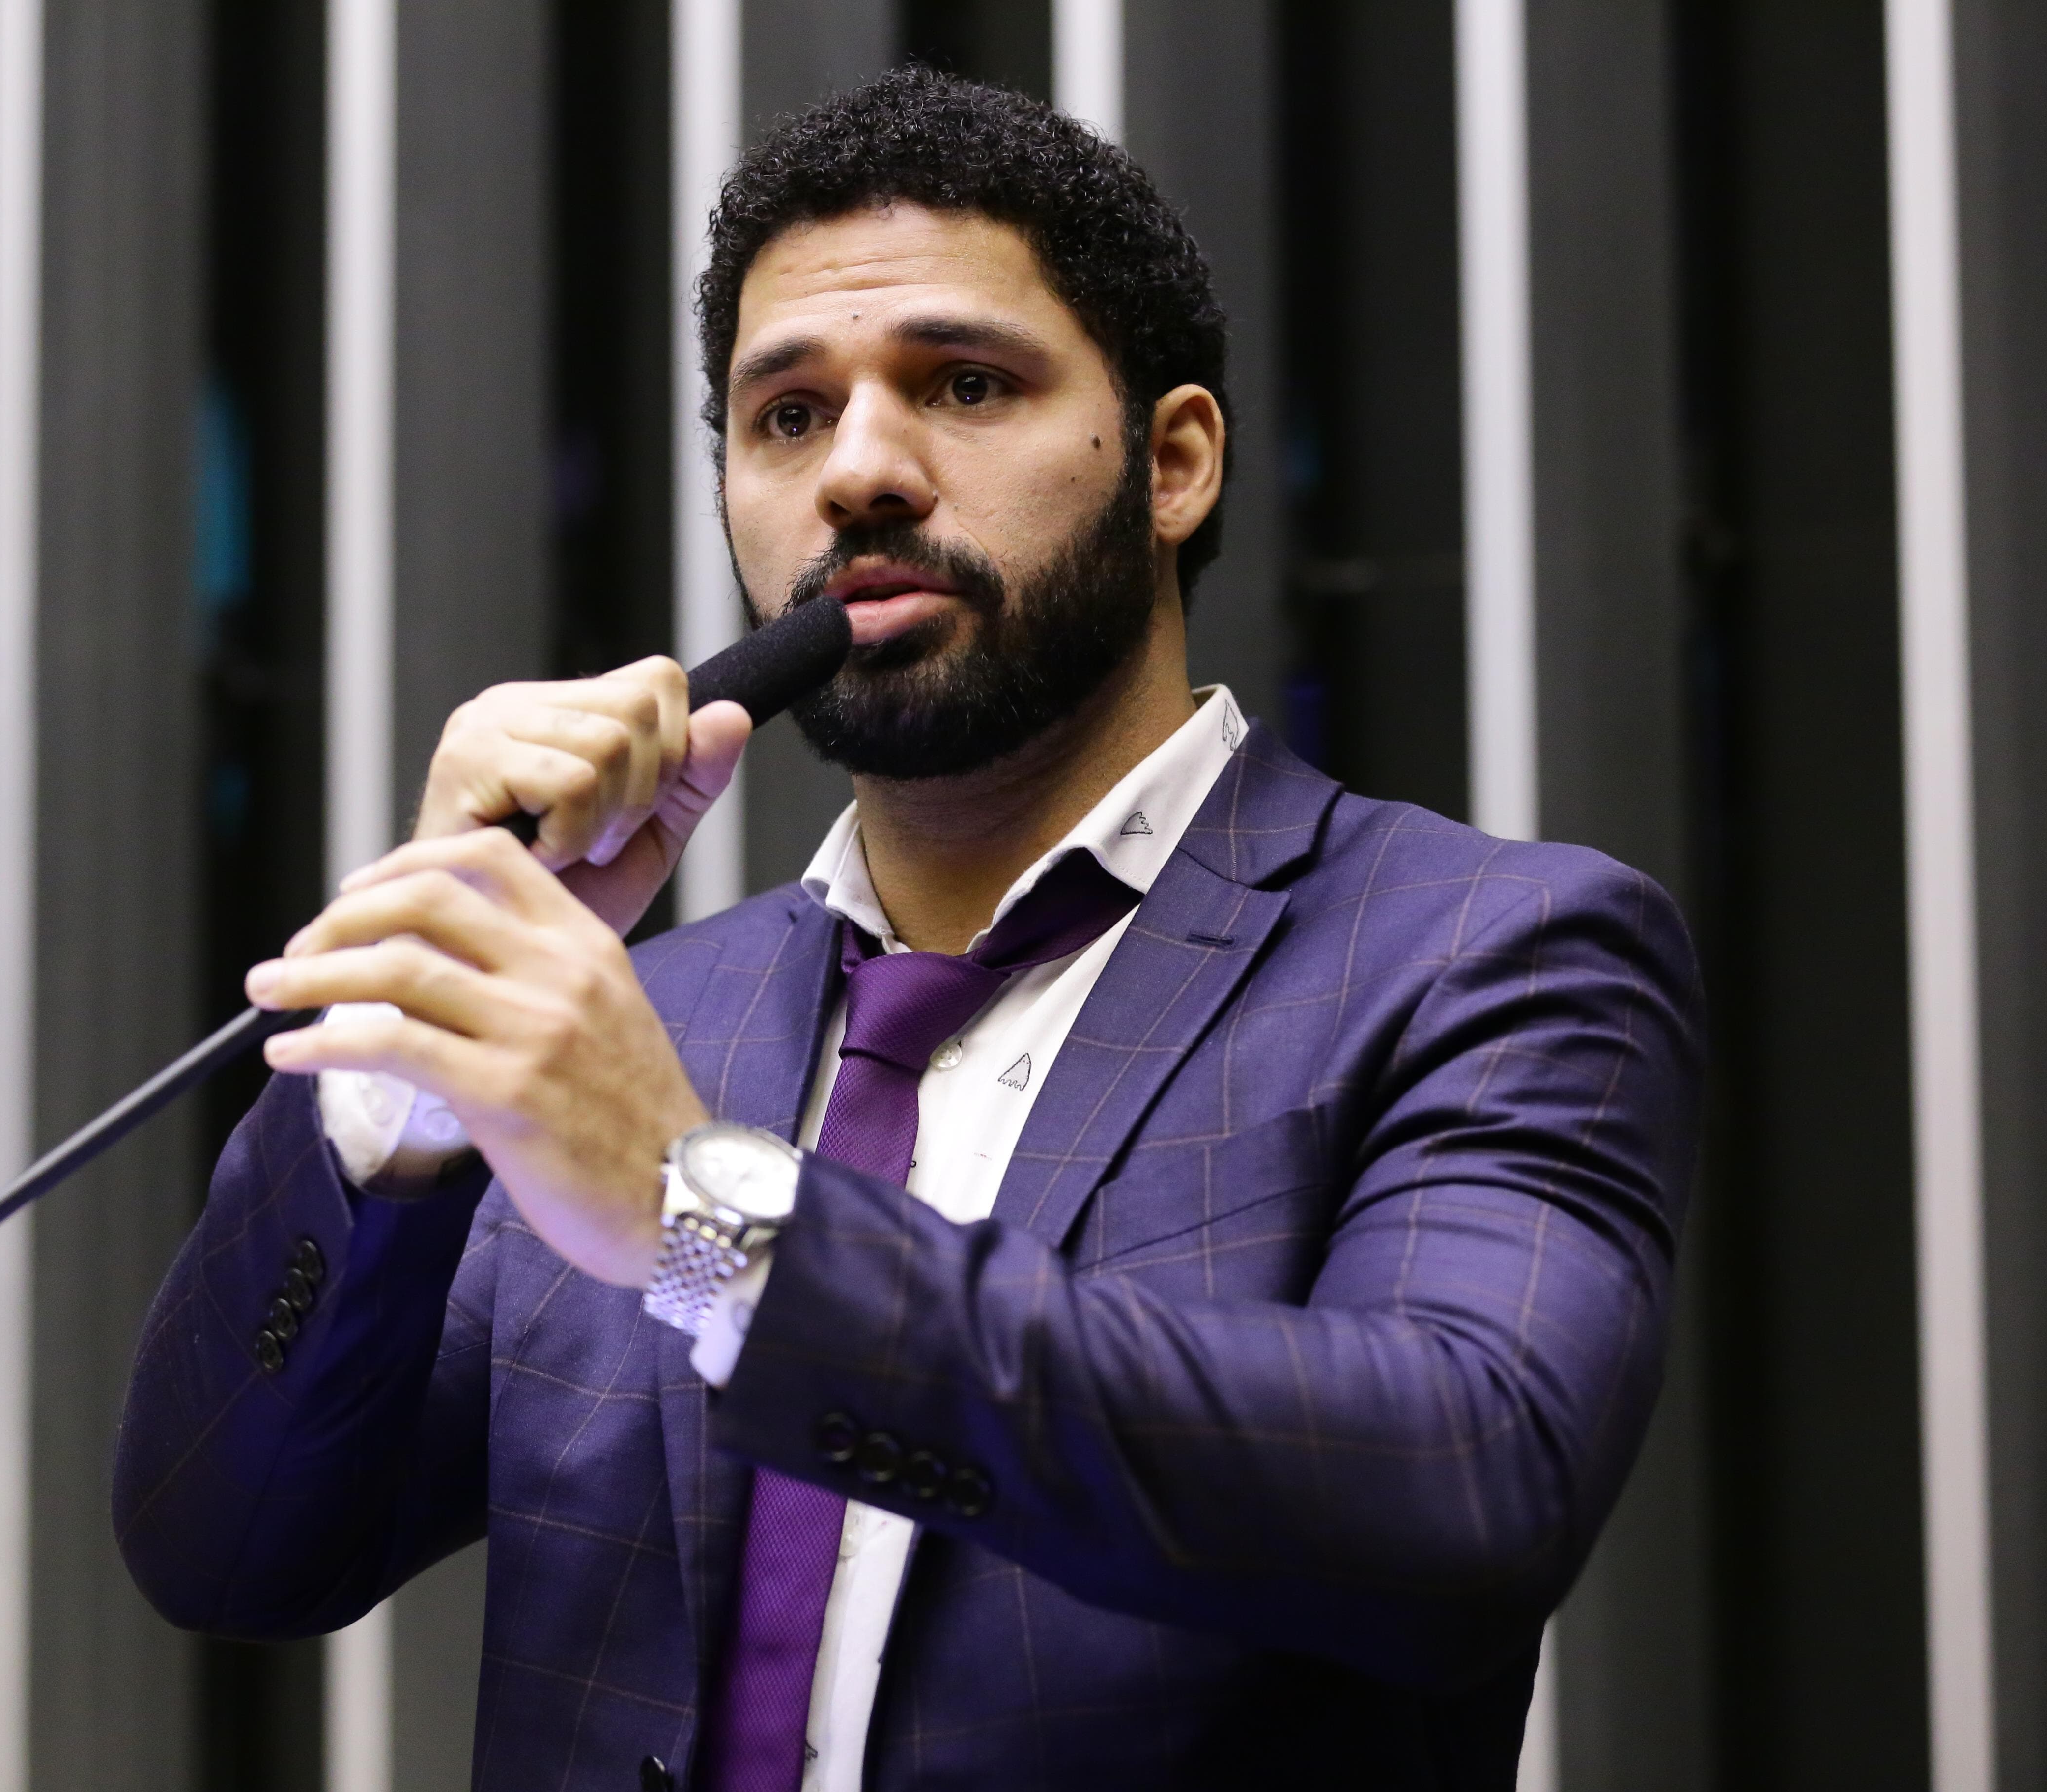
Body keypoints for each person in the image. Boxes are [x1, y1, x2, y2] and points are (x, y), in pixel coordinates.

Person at [114, 68, 1702, 1792]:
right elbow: (229, 1551)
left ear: (1172, 463)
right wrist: (405, 1094)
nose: (860, 473)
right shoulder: (632, 1035)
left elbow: (1461, 1498)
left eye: (964, 385)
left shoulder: (1481, 953)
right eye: (787, 417)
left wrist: (710, 1227)